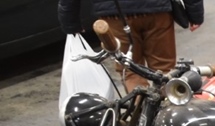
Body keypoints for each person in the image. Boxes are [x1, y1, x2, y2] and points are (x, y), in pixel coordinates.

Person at [58, 0, 204, 91]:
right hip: (156, 11)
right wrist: (195, 13)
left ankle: (141, 119)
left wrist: (70, 22)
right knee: (164, 70)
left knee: (130, 71)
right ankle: (167, 118)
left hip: (115, 14)